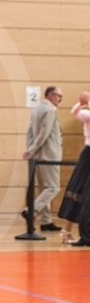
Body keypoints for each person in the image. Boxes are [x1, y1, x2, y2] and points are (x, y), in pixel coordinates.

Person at [22, 86, 63, 231]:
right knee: (53, 187)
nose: (60, 99)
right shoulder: (50, 110)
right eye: (59, 96)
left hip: (38, 156)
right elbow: (44, 134)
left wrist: (30, 149)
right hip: (49, 155)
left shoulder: (37, 110)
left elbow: (30, 132)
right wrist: (32, 149)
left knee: (44, 188)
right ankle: (31, 210)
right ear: (51, 95)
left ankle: (46, 221)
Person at [60, 91, 90, 247]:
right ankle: (69, 230)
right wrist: (82, 103)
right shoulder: (87, 115)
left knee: (86, 191)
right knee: (78, 189)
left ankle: (80, 234)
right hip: (88, 153)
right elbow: (75, 112)